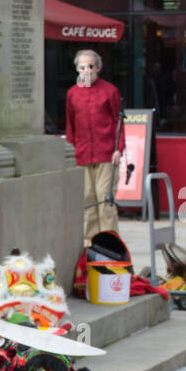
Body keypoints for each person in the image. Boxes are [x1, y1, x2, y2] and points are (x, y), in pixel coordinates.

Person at [65, 49, 124, 240]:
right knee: (87, 202)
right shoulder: (72, 93)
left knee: (104, 201)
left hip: (106, 152)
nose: (87, 71)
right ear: (77, 69)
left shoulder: (110, 91)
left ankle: (110, 241)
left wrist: (119, 148)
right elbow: (70, 124)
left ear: (98, 68)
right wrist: (70, 150)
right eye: (82, 67)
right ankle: (90, 243)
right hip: (82, 153)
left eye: (90, 66)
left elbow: (118, 122)